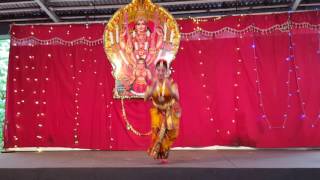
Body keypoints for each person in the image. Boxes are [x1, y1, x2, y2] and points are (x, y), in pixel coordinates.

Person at [144, 59, 181, 164]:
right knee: (157, 131)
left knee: (170, 134)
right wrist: (151, 89)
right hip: (157, 110)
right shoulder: (152, 83)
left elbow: (177, 97)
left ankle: (164, 153)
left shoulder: (172, 82)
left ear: (166, 71)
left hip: (170, 110)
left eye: (163, 70)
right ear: (155, 70)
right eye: (158, 70)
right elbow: (145, 98)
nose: (160, 73)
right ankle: (161, 154)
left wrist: (170, 87)